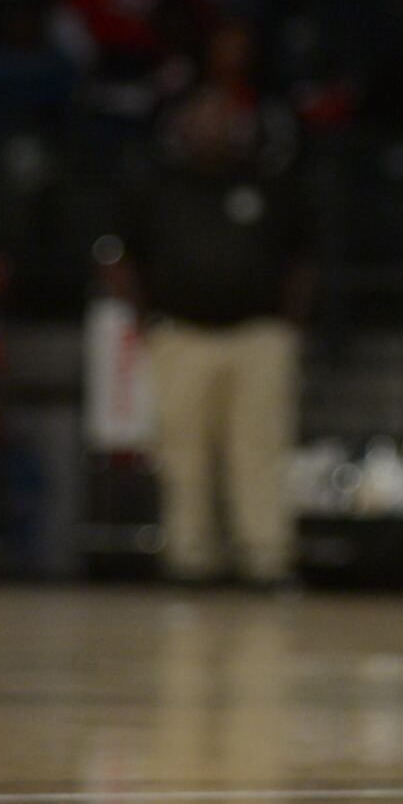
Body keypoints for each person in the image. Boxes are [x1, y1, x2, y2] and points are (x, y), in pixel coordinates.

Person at [119, 78, 309, 587]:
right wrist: (143, 320)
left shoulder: (267, 182)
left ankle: (266, 559)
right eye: (201, 117)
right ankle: (190, 559)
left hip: (258, 336)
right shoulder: (157, 185)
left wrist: (289, 324)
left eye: (221, 116)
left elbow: (300, 258)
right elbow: (121, 258)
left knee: (259, 450)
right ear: (182, 126)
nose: (211, 127)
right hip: (181, 335)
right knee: (182, 453)